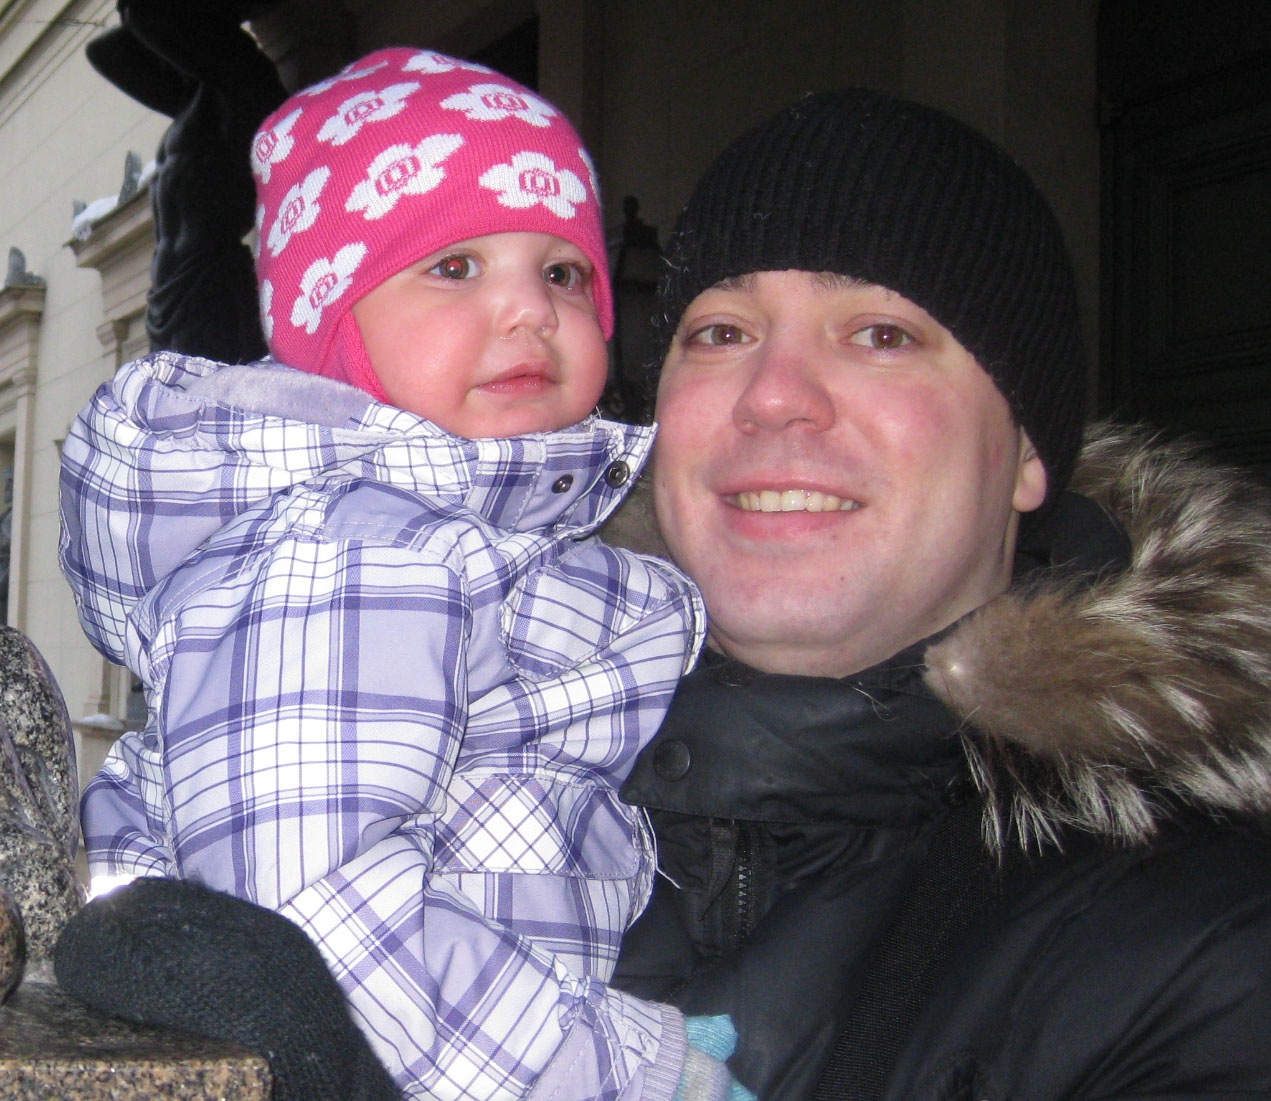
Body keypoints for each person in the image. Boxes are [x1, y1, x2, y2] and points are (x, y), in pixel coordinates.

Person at [54, 48, 757, 1101]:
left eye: (561, 272)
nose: (529, 310)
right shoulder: (349, 552)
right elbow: (310, 895)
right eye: (454, 267)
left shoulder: (498, 541)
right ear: (330, 321)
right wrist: (619, 1070)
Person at [609, 87, 1271, 1098]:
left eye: (880, 334)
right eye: (721, 332)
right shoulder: (437, 783)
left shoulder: (1204, 953)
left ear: (1025, 456)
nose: (772, 394)